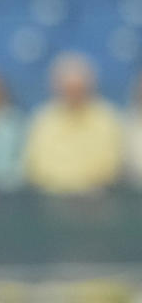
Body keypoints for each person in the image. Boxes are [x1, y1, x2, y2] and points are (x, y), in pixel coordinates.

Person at [23, 52, 123, 195]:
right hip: (52, 197)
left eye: (78, 88)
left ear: (89, 87)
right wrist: (65, 187)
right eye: (68, 88)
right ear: (57, 88)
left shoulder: (106, 117)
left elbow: (110, 165)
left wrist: (78, 186)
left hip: (96, 197)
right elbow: (35, 166)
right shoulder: (43, 119)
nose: (73, 93)